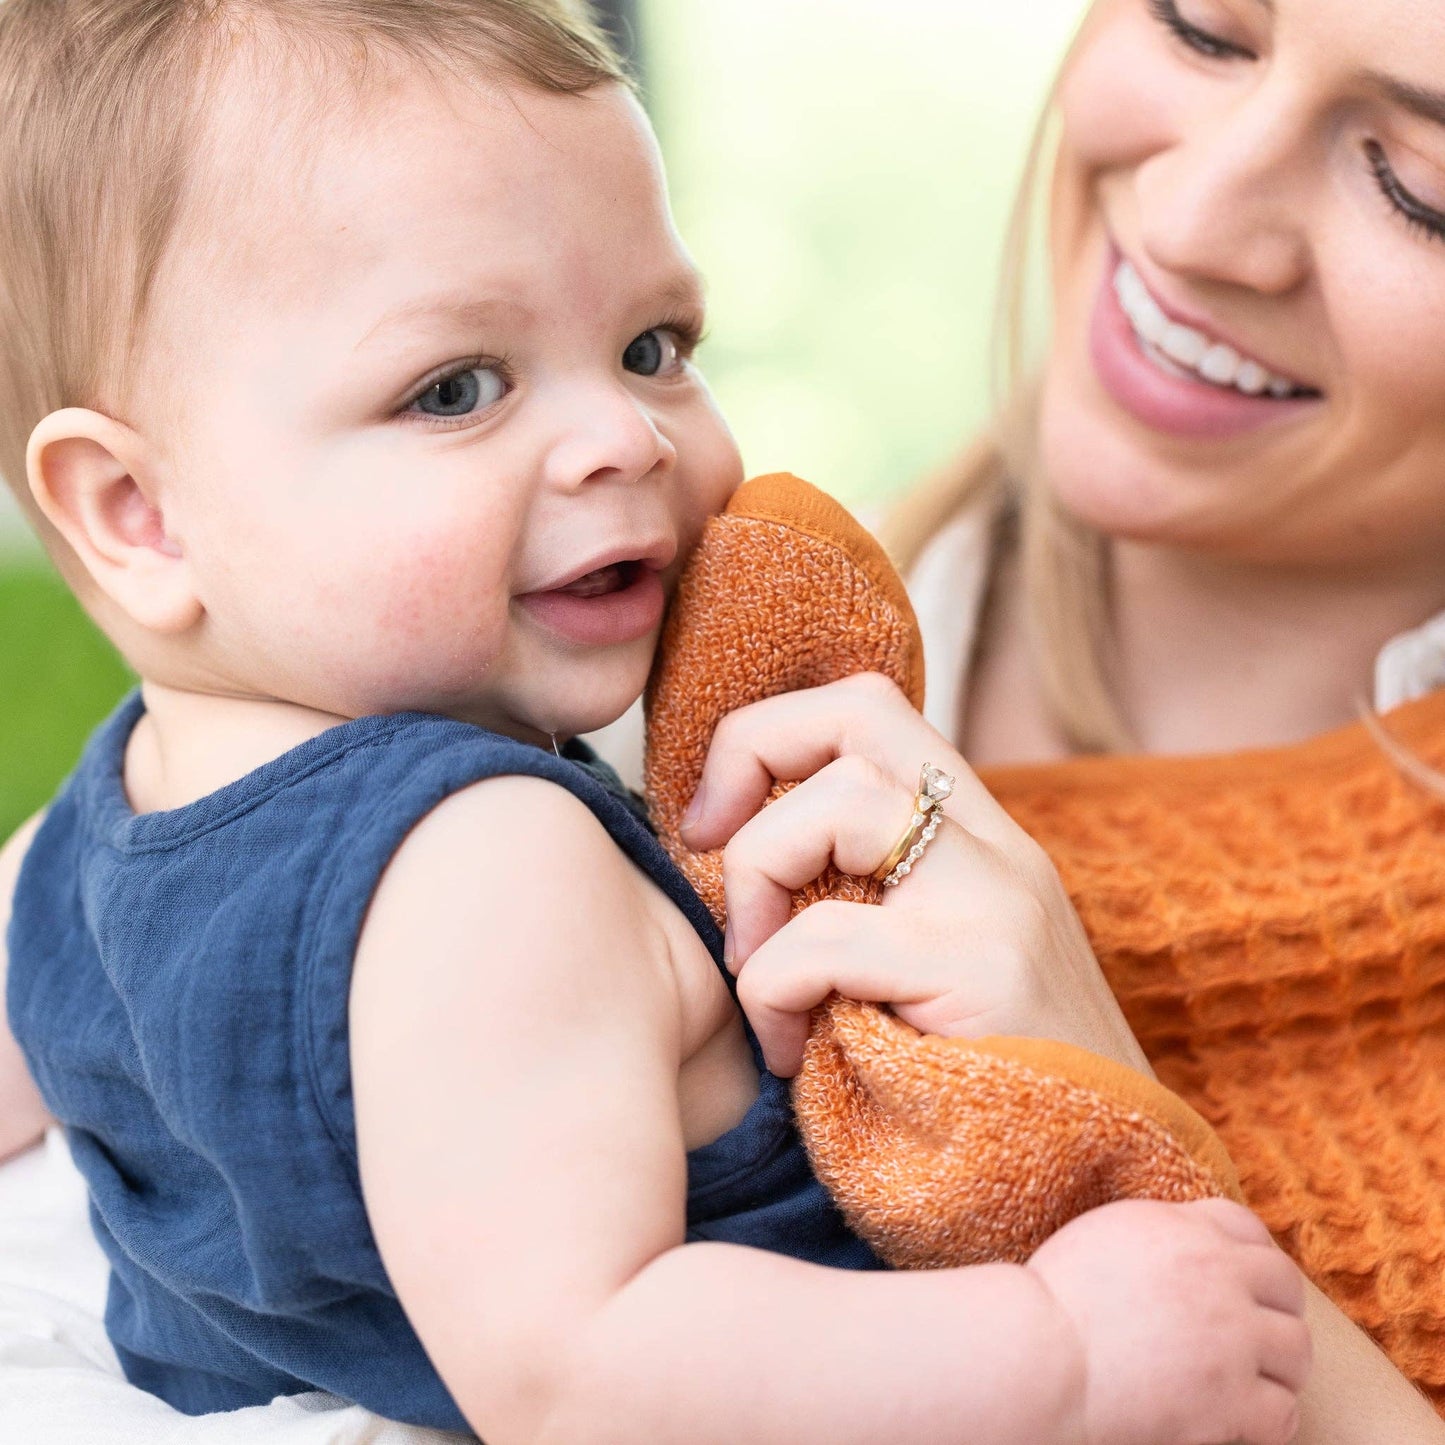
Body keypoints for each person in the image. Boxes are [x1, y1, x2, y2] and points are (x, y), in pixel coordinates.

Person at [0, 1, 1310, 1442]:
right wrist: (1066, 1355)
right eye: (456, 388)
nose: (624, 435)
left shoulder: (95, 823)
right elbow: (585, 1365)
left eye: (649, 344)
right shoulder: (485, 864)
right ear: (138, 514)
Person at [882, 0, 1445, 1436]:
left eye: (1416, 185)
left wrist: (1117, 1131)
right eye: (1203, 26)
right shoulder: (627, 674)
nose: (1192, 219)